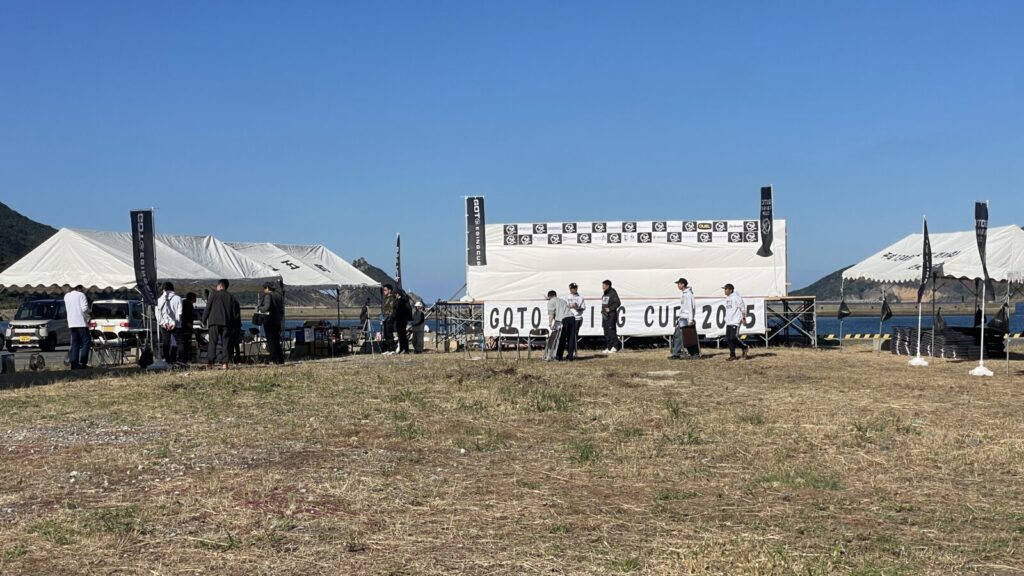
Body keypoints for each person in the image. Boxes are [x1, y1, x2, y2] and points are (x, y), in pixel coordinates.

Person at [202, 279, 239, 369]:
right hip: (226, 322)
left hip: (214, 321)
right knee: (226, 343)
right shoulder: (231, 297)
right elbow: (234, 313)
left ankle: (210, 363)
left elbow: (208, 308)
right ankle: (225, 363)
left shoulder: (213, 294)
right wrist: (234, 325)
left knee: (212, 342)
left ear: (220, 286)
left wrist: (203, 320)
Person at [670, 278, 700, 359]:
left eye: (679, 284)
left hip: (686, 318)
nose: (678, 285)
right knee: (683, 336)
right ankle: (679, 353)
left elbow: (691, 307)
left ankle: (693, 354)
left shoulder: (688, 294)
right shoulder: (684, 294)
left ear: (683, 284)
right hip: (683, 318)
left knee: (687, 337)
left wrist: (690, 319)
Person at [258, 281, 286, 364]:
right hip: (277, 321)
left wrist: (260, 308)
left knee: (271, 341)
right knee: (277, 341)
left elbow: (266, 307)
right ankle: (280, 359)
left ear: (267, 288)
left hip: (269, 321)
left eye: (264, 288)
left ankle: (273, 359)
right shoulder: (279, 296)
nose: (263, 290)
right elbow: (281, 309)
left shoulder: (268, 296)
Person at [64, 284, 90, 370]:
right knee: (86, 342)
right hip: (81, 322)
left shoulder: (66, 296)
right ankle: (83, 362)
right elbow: (84, 308)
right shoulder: (81, 295)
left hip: (71, 323)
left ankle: (74, 364)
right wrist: (89, 315)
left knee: (75, 343)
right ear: (79, 287)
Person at [156, 282, 183, 364]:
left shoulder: (159, 300)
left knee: (166, 342)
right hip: (176, 324)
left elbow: (158, 314)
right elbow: (179, 312)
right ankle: (180, 359)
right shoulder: (178, 298)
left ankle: (167, 360)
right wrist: (174, 323)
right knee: (179, 342)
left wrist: (163, 323)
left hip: (164, 325)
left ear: (163, 289)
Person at [723, 283, 750, 361]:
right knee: (728, 339)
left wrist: (743, 318)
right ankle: (732, 355)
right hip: (729, 322)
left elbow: (742, 308)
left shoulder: (737, 298)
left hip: (735, 321)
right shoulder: (727, 298)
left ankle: (744, 347)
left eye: (726, 289)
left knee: (733, 337)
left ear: (731, 290)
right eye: (725, 289)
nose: (725, 291)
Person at [545, 290, 572, 361]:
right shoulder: (562, 301)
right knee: (568, 339)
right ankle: (568, 357)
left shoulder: (551, 301)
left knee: (556, 339)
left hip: (561, 320)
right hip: (571, 318)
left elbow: (551, 314)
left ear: (549, 296)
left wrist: (550, 323)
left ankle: (553, 356)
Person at [563, 282, 585, 361]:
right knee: (567, 336)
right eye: (573, 288)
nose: (574, 289)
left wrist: (577, 307)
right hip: (569, 317)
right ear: (570, 289)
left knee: (574, 336)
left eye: (575, 288)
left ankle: (571, 354)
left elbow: (583, 307)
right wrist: (571, 306)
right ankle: (569, 352)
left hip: (577, 318)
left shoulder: (580, 297)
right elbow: (564, 306)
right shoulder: (566, 297)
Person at [600, 279, 621, 353]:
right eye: (602, 285)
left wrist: (610, 308)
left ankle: (615, 347)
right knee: (606, 331)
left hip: (611, 315)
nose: (602, 287)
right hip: (605, 315)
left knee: (611, 331)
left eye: (604, 285)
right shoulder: (605, 294)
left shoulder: (613, 293)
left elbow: (618, 303)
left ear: (608, 286)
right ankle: (609, 347)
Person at [393, 288, 413, 354]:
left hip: (402, 319)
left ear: (398, 294)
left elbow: (408, 308)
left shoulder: (404, 300)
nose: (395, 295)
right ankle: (402, 348)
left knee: (403, 334)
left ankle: (405, 349)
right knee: (400, 335)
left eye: (395, 293)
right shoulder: (397, 300)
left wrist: (408, 318)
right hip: (398, 319)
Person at [180, 292, 197, 364]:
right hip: (186, 328)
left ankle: (184, 359)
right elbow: (187, 319)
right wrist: (192, 328)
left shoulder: (183, 303)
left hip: (182, 327)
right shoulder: (188, 305)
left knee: (184, 343)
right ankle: (185, 359)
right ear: (192, 299)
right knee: (186, 344)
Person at [381, 284, 396, 354]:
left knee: (389, 334)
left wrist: (390, 318)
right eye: (383, 290)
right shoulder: (386, 298)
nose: (384, 291)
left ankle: (392, 349)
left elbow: (392, 309)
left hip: (389, 318)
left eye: (385, 290)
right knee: (386, 334)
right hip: (385, 318)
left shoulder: (392, 298)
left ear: (389, 290)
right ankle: (388, 349)